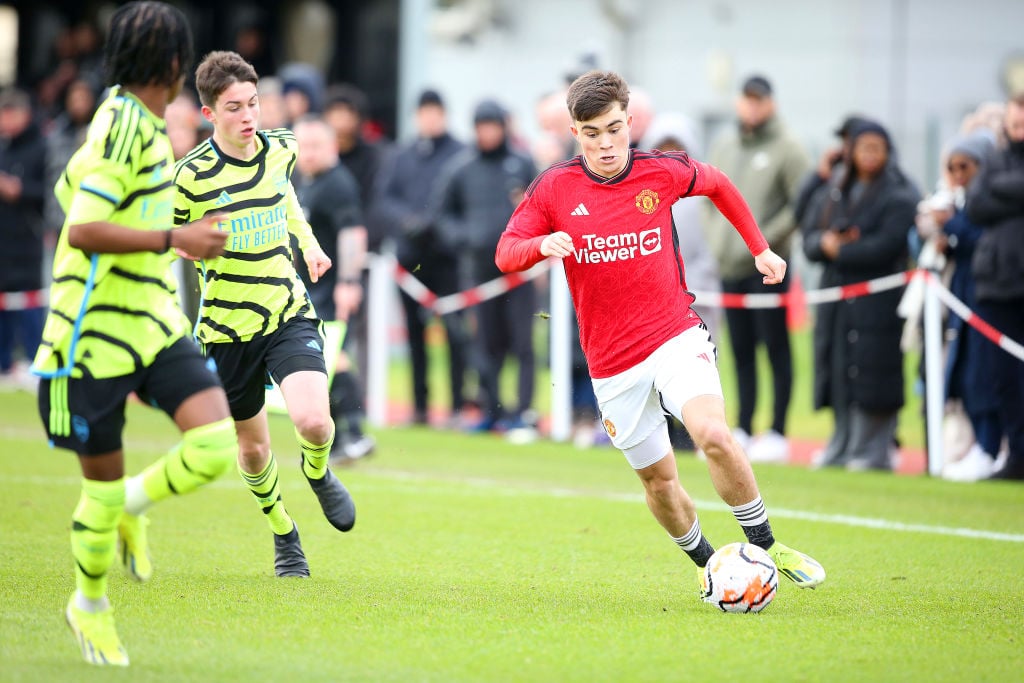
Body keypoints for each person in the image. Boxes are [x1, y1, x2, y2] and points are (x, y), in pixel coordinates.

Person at [495, 70, 825, 594]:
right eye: (591, 132)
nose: (605, 143)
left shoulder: (661, 172)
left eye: (614, 128)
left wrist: (760, 247)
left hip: (674, 334)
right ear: (574, 132)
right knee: (658, 481)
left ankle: (765, 545)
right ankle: (710, 564)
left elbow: (718, 183)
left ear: (629, 121)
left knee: (714, 434)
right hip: (611, 363)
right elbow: (505, 252)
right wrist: (542, 245)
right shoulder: (555, 187)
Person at [30, 2, 238, 666]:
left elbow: (70, 188)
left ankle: (132, 506)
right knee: (98, 487)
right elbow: (82, 226)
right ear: (174, 64)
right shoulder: (123, 128)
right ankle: (88, 605)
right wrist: (174, 236)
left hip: (149, 320)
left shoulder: (132, 119)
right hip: (90, 335)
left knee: (213, 445)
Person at [173, 51, 356, 578]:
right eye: (234, 107)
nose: (249, 115)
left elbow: (286, 197)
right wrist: (185, 246)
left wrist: (312, 245)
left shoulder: (283, 147)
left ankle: (318, 473)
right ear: (210, 114)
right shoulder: (190, 177)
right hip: (226, 329)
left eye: (253, 103)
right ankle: (284, 532)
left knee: (315, 422)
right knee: (253, 449)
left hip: (286, 310)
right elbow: (171, 238)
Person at [801, 121, 919, 471]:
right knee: (836, 367)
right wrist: (825, 244)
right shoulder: (835, 188)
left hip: (878, 301)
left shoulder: (899, 193)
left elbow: (888, 244)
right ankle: (842, 441)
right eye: (861, 147)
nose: (868, 154)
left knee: (874, 368)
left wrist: (842, 251)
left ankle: (873, 448)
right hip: (837, 300)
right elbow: (809, 234)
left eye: (875, 147)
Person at [704, 75, 810, 464]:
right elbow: (708, 198)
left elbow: (801, 204)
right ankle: (745, 425)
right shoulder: (725, 144)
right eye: (746, 100)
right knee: (740, 349)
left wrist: (763, 244)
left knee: (775, 347)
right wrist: (720, 239)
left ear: (770, 104)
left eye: (758, 101)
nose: (751, 107)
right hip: (730, 264)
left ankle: (779, 430)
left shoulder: (789, 147)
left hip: (770, 268)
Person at [436, 98, 538, 434]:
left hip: (520, 272)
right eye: (482, 127)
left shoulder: (522, 164)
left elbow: (542, 208)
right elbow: (442, 214)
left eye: (493, 126)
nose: (488, 133)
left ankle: (523, 414)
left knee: (523, 344)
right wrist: (464, 237)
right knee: (485, 346)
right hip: (479, 271)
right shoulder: (462, 168)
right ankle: (493, 411)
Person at [376, 88, 470, 427]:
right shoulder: (401, 155)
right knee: (414, 334)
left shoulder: (461, 154)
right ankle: (419, 407)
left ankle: (458, 406)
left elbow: (462, 201)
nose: (429, 119)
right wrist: (407, 222)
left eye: (435, 112)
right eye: (424, 113)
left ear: (444, 115)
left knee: (456, 334)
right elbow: (385, 200)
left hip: (448, 258)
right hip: (410, 260)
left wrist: (434, 223)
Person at [919, 132, 1003, 481]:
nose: (957, 173)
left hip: (988, 297)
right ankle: (980, 449)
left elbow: (984, 240)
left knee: (986, 376)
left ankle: (991, 449)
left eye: (964, 166)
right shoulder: (963, 199)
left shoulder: (991, 199)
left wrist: (950, 222)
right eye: (952, 167)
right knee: (966, 375)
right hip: (964, 299)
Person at [292, 116, 375, 461]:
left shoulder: (337, 183)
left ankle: (354, 432)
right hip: (309, 289)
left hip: (332, 288)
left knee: (332, 358)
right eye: (303, 146)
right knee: (323, 360)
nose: (308, 154)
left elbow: (353, 232)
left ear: (332, 148)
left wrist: (348, 282)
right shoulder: (303, 181)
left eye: (316, 146)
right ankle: (342, 437)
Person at [965, 93, 1024, 481]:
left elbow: (990, 194)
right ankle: (1016, 455)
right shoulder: (996, 157)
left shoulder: (996, 167)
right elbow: (975, 202)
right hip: (998, 285)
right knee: (1002, 378)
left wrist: (999, 190)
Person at [0, 87, 47, 388]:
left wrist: (19, 190)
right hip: (3, 242)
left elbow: (49, 191)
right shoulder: (2, 147)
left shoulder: (42, 146)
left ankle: (34, 362)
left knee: (31, 300)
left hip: (29, 240)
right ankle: (4, 365)